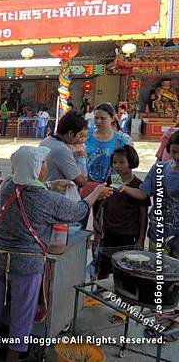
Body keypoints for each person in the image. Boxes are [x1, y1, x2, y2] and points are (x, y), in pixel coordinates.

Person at [0, 146, 112, 362]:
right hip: (26, 262)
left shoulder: (7, 186)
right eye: (43, 163)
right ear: (36, 169)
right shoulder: (46, 199)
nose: (46, 165)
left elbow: (25, 187)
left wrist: (50, 184)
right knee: (22, 311)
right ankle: (11, 358)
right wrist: (96, 193)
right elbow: (79, 211)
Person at [120, 131, 179, 252]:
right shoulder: (159, 169)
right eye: (174, 151)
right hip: (157, 234)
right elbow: (143, 193)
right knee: (157, 268)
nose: (177, 156)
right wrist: (125, 188)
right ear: (168, 150)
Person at [96, 145, 149, 279]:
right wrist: (97, 220)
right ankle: (99, 296)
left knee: (125, 270)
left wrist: (141, 239)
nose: (117, 166)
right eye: (114, 162)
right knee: (104, 268)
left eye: (121, 162)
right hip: (109, 231)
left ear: (131, 162)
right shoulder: (112, 180)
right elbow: (103, 202)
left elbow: (143, 216)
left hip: (128, 234)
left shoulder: (139, 186)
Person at [40, 110, 88, 193]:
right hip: (60, 197)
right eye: (79, 135)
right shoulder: (62, 150)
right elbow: (81, 181)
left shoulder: (46, 141)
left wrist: (74, 154)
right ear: (70, 133)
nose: (79, 139)